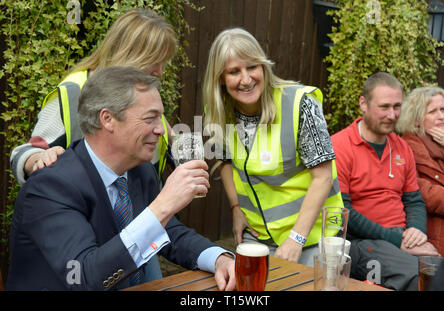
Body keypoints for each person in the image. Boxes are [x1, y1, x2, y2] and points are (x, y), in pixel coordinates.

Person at [6, 66, 235, 291]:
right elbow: (83, 278)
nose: (162, 130)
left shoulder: (139, 170)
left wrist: (219, 259)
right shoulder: (50, 187)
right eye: (150, 118)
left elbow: (169, 232)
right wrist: (163, 206)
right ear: (108, 119)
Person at [202, 28, 344, 267]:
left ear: (264, 67)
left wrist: (295, 239)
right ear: (220, 79)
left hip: (313, 237)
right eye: (234, 72)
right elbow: (224, 159)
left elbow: (323, 177)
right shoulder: (219, 112)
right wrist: (236, 207)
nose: (246, 79)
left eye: (252, 67)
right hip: (258, 236)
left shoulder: (301, 104)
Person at [10, 8, 174, 186]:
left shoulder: (141, 95)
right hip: (85, 210)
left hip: (144, 210)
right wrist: (38, 158)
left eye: (163, 62)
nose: (159, 72)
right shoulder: (74, 92)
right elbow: (25, 153)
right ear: (128, 54)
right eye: (154, 61)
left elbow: (167, 148)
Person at [330, 72, 440, 291]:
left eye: (397, 106)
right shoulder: (340, 146)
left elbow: (414, 201)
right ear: (364, 103)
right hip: (360, 242)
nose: (392, 114)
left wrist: (416, 233)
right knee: (414, 274)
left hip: (401, 240)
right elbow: (342, 212)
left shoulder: (402, 147)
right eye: (384, 107)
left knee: (438, 269)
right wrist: (397, 239)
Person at [395, 86, 444, 257]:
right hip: (432, 237)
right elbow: (430, 197)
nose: (441, 116)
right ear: (417, 120)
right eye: (432, 111)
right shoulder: (407, 149)